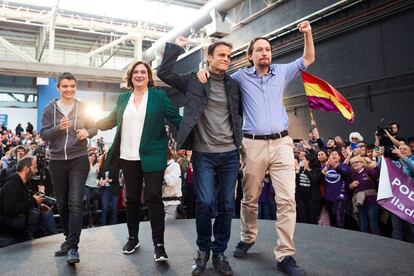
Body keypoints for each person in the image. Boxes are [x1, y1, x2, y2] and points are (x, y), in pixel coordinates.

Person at [197, 20, 314, 276]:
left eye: (268, 49)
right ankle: (248, 237)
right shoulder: (238, 77)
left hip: (283, 143)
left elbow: (307, 58)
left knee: (287, 201)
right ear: (250, 56)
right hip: (252, 145)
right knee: (250, 199)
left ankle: (285, 256)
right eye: (259, 49)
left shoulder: (282, 71)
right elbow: (218, 76)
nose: (265, 53)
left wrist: (308, 33)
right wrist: (203, 72)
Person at [158, 37, 241, 275]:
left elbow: (239, 114)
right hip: (203, 154)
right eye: (221, 55)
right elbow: (164, 72)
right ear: (209, 57)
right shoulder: (195, 80)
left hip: (230, 155)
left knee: (226, 205)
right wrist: (177, 47)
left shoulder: (233, 85)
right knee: (204, 203)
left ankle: (219, 252)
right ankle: (203, 251)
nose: (226, 59)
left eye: (228, 56)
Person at [96, 60, 181, 262]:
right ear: (130, 76)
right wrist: (90, 124)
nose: (140, 75)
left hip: (153, 154)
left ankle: (159, 245)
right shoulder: (123, 98)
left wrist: (194, 133)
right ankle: (132, 238)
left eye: (144, 72)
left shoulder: (159, 97)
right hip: (127, 156)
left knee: (153, 196)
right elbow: (110, 120)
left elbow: (175, 119)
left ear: (149, 77)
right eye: (136, 72)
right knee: (132, 199)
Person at [40, 72, 97, 265]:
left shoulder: (83, 107)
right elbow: (44, 134)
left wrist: (86, 132)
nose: (69, 89)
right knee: (62, 204)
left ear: (75, 86)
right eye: (65, 86)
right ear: (58, 88)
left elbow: (94, 128)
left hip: (78, 159)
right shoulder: (50, 109)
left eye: (72, 86)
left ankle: (73, 247)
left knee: (75, 202)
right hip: (56, 161)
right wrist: (58, 128)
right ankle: (68, 239)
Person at [0, 156, 56, 241]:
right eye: (34, 168)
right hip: (9, 229)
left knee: (44, 212)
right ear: (26, 169)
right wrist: (34, 201)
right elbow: (10, 210)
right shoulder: (12, 185)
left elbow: (23, 203)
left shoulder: (23, 183)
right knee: (37, 215)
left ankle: (51, 236)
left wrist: (38, 203)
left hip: (17, 225)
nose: (36, 171)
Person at [162, 147, 182, 220]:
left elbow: (172, 182)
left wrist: (165, 172)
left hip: (172, 203)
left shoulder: (175, 166)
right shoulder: (157, 166)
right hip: (159, 204)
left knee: (169, 227)